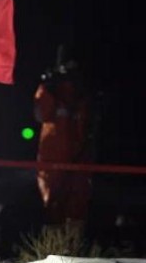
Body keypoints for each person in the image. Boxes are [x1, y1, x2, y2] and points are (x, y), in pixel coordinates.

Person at [34, 47, 98, 236]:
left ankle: (74, 253)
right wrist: (48, 88)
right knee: (52, 203)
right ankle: (52, 250)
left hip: (79, 156)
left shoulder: (85, 93)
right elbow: (40, 114)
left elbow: (90, 125)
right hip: (53, 157)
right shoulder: (50, 89)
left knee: (77, 203)